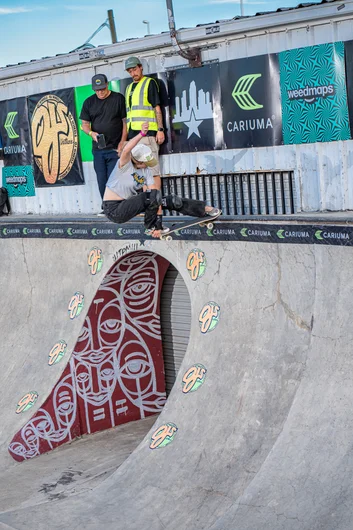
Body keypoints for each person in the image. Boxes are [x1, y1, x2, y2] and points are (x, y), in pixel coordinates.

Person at [102, 122, 220, 238]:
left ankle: (204, 210)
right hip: (113, 210)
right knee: (148, 196)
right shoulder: (124, 165)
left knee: (170, 200)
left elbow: (155, 196)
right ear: (137, 161)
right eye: (145, 163)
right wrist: (141, 134)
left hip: (129, 205)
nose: (148, 165)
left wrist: (159, 219)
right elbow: (127, 149)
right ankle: (151, 227)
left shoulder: (146, 171)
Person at [124, 56, 165, 229]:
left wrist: (161, 129)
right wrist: (126, 139)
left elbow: (157, 108)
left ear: (141, 68)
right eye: (130, 71)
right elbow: (129, 116)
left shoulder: (149, 83)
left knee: (154, 173)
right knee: (142, 175)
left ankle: (158, 212)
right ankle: (149, 208)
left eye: (134, 69)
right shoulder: (128, 88)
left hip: (148, 136)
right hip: (135, 137)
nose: (133, 73)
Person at [80, 74, 127, 212]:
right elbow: (84, 125)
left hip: (115, 148)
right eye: (97, 90)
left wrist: (123, 142)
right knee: (102, 180)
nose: (100, 92)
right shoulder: (88, 102)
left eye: (102, 88)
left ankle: (119, 208)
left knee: (115, 179)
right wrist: (91, 133)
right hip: (98, 150)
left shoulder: (118, 98)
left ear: (107, 84)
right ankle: (107, 208)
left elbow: (125, 122)